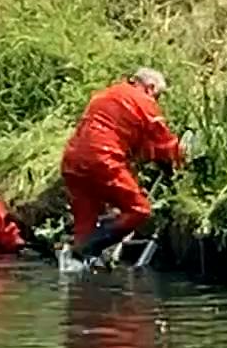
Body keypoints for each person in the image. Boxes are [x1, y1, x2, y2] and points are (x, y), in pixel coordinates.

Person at [62, 69, 186, 262]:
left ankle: (79, 268)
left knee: (85, 224)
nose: (157, 101)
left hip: (73, 160)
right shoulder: (144, 102)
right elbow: (166, 144)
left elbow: (130, 137)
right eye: (158, 95)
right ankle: (88, 248)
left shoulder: (103, 96)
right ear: (150, 87)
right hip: (103, 158)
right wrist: (180, 160)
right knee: (139, 210)